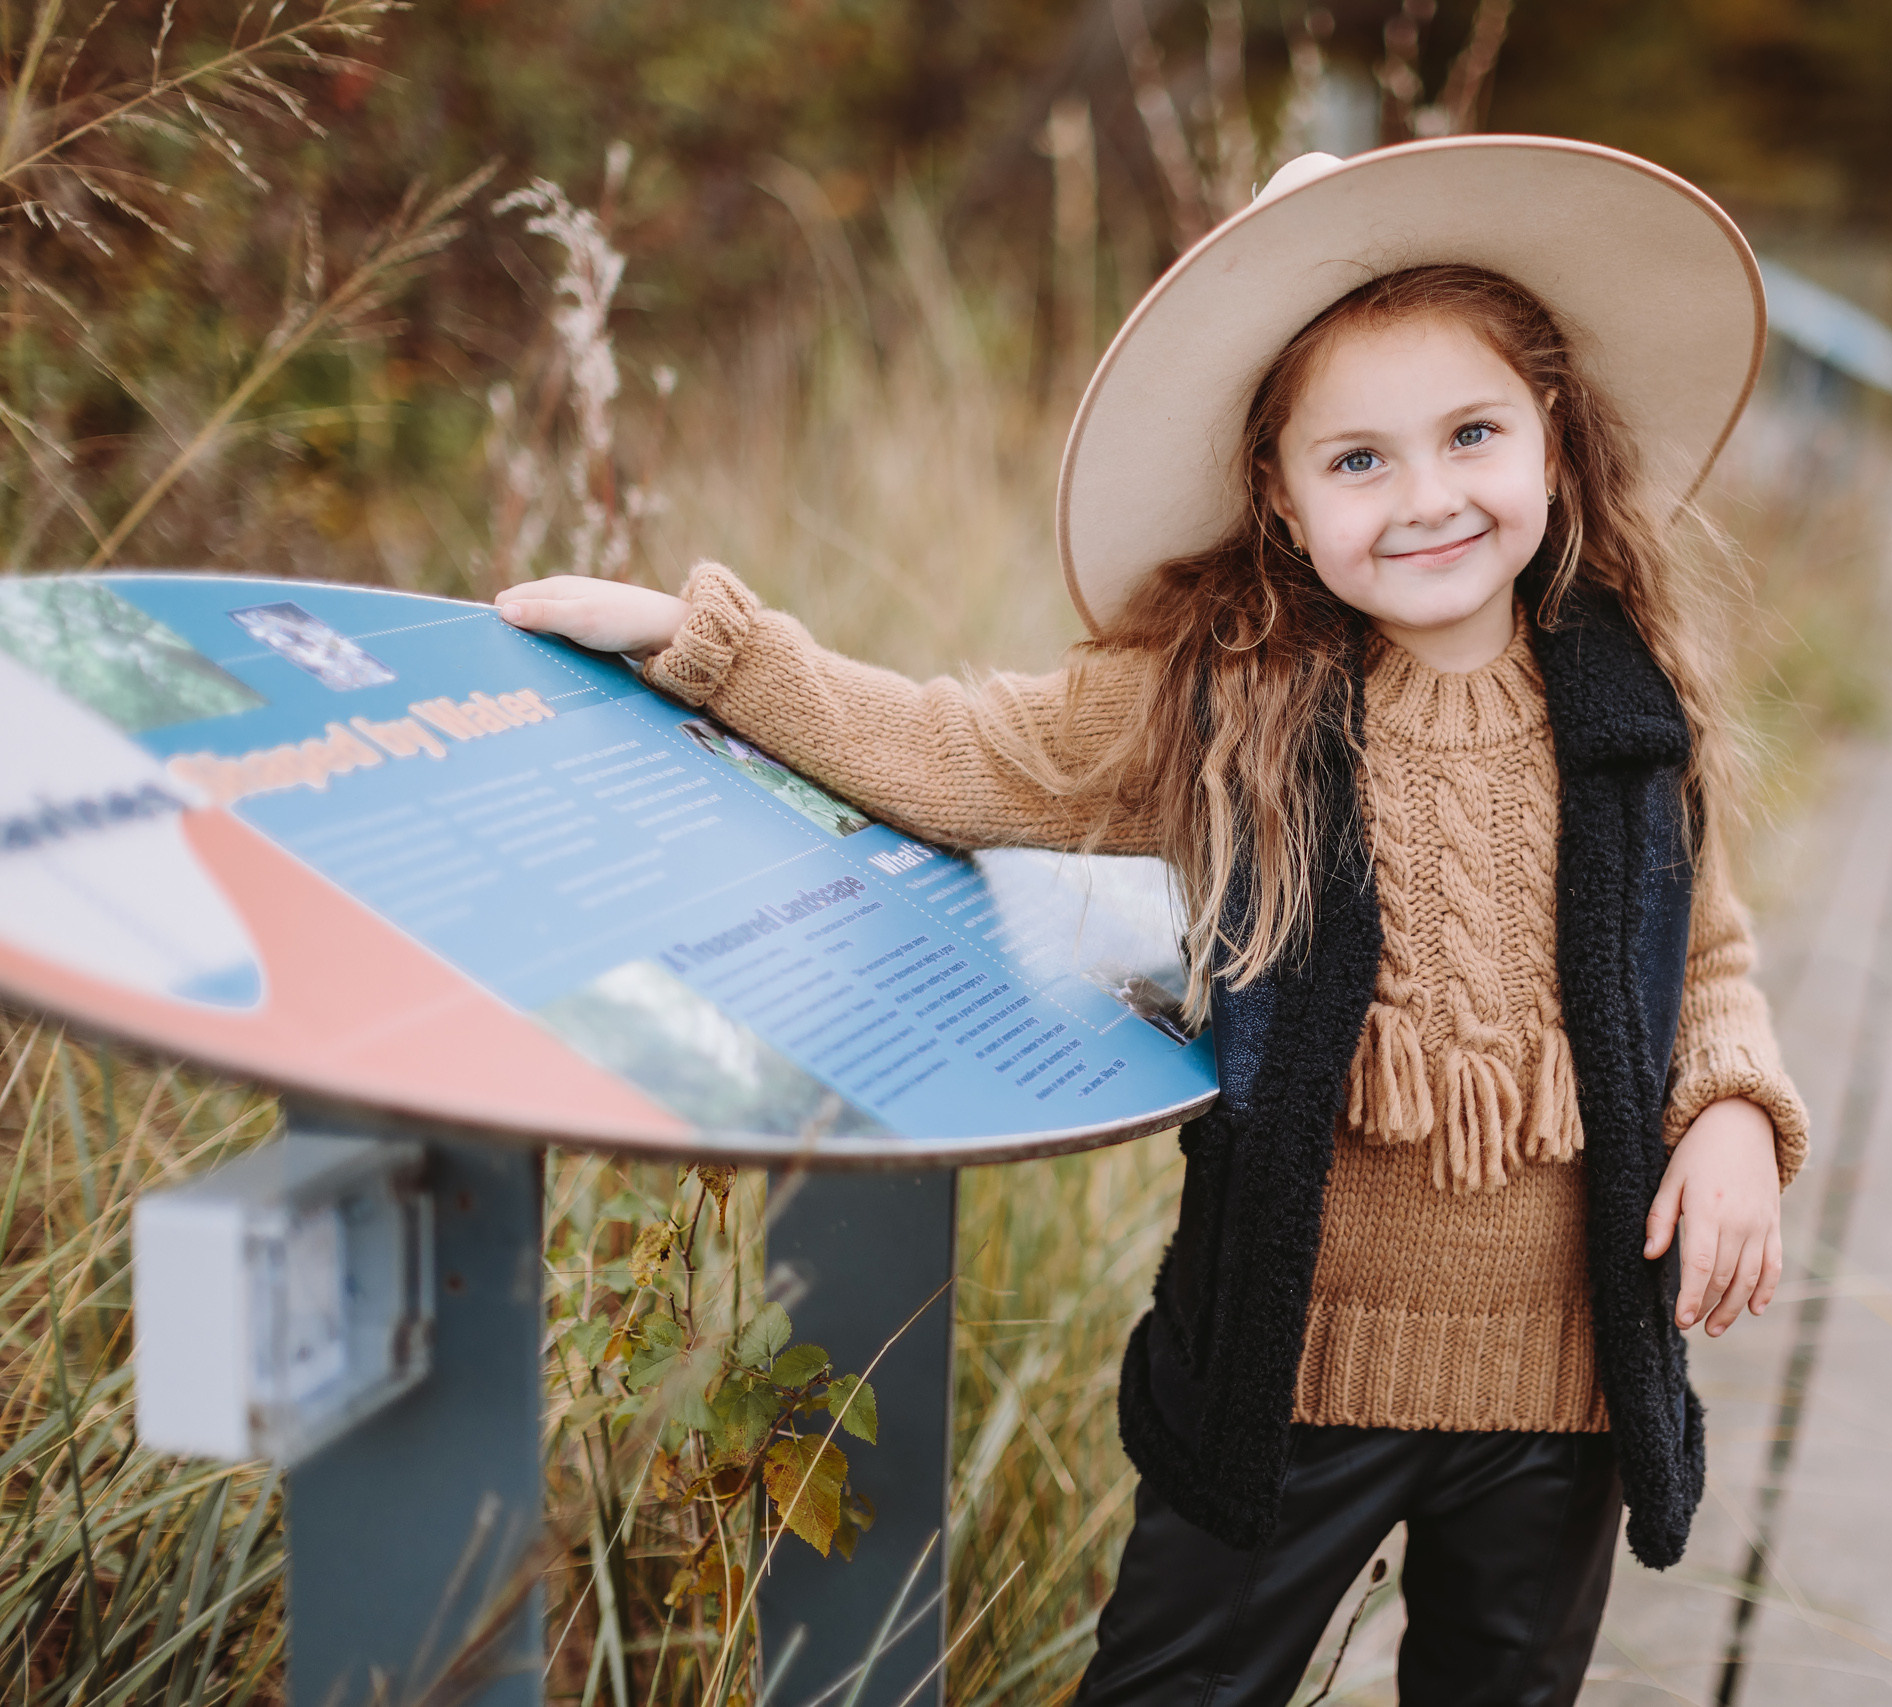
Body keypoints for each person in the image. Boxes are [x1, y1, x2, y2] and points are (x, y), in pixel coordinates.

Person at [499, 137, 1809, 1704]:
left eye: (1472, 434)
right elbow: (958, 753)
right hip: (1294, 1374)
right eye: (1359, 461)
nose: (1429, 499)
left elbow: (1704, 956)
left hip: (1564, 1384)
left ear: (1551, 434)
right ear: (1282, 498)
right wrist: (711, 649)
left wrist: (1732, 1111)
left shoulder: (1625, 706)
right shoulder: (1229, 701)